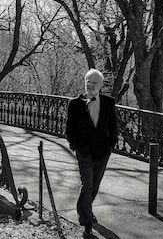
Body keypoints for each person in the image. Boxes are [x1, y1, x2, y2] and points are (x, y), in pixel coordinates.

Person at [66, 68, 118, 238]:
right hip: (84, 151)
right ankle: (87, 220)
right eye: (88, 82)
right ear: (85, 83)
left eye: (95, 83)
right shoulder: (74, 104)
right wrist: (75, 145)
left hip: (102, 152)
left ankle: (86, 210)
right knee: (87, 183)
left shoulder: (109, 102)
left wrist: (110, 145)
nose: (91, 85)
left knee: (94, 185)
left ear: (100, 85)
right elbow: (69, 128)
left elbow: (113, 127)